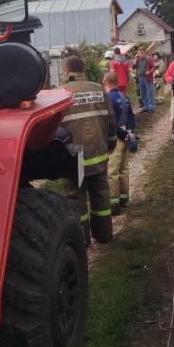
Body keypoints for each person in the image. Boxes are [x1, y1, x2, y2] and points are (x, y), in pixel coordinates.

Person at [60, 56, 116, 243]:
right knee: (100, 194)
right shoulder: (99, 89)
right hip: (98, 154)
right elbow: (110, 120)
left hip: (71, 159)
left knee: (75, 198)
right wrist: (111, 143)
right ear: (83, 69)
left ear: (66, 71)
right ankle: (104, 235)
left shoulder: (61, 94)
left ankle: (82, 240)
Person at [104, 71, 136, 214]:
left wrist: (122, 134)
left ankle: (113, 205)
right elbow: (131, 117)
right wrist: (129, 132)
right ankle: (124, 199)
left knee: (112, 171)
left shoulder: (107, 98)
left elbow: (109, 123)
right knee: (124, 169)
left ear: (105, 83)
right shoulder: (125, 96)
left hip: (116, 137)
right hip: (126, 136)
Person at [132, 41, 158, 112]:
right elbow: (133, 67)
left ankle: (152, 107)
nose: (141, 54)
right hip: (140, 78)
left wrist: (149, 71)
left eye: (142, 53)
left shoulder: (149, 59)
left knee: (150, 93)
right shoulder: (137, 59)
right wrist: (135, 58)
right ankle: (146, 107)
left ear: (144, 53)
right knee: (143, 93)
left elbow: (153, 67)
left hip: (147, 78)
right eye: (139, 53)